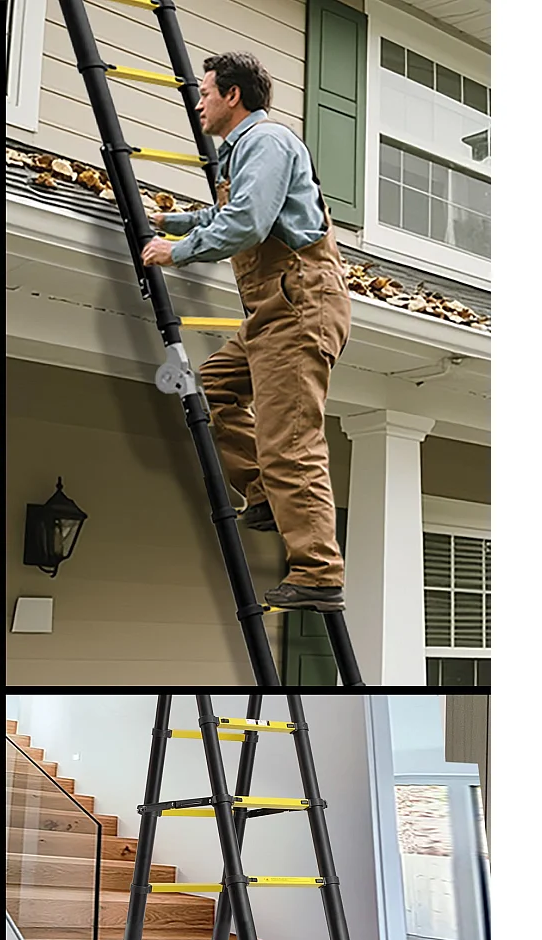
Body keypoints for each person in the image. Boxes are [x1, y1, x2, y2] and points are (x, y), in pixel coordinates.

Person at [140, 51, 350, 611]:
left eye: (205, 92)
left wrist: (176, 251)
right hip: (274, 311)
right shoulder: (244, 153)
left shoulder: (268, 143)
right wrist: (177, 221)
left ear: (233, 96)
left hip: (299, 303)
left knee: (292, 442)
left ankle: (319, 573)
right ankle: (263, 492)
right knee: (207, 391)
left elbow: (249, 224)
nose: (198, 102)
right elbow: (240, 216)